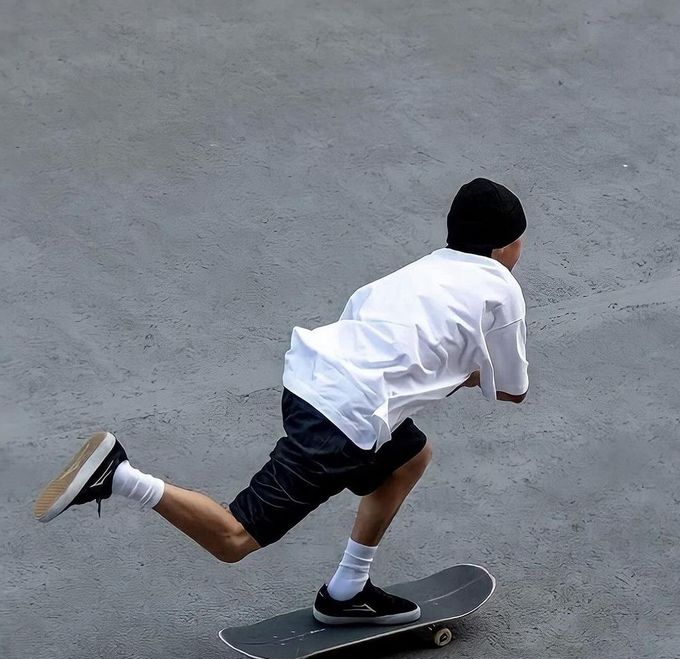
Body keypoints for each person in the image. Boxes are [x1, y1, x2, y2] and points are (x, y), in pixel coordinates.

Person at [34, 177, 529, 626]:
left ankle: (346, 591)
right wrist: (461, 372)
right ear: (504, 247)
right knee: (234, 538)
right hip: (343, 418)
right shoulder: (500, 289)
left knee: (409, 456)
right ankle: (119, 475)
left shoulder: (420, 271)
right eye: (519, 242)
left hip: (309, 382)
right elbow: (512, 389)